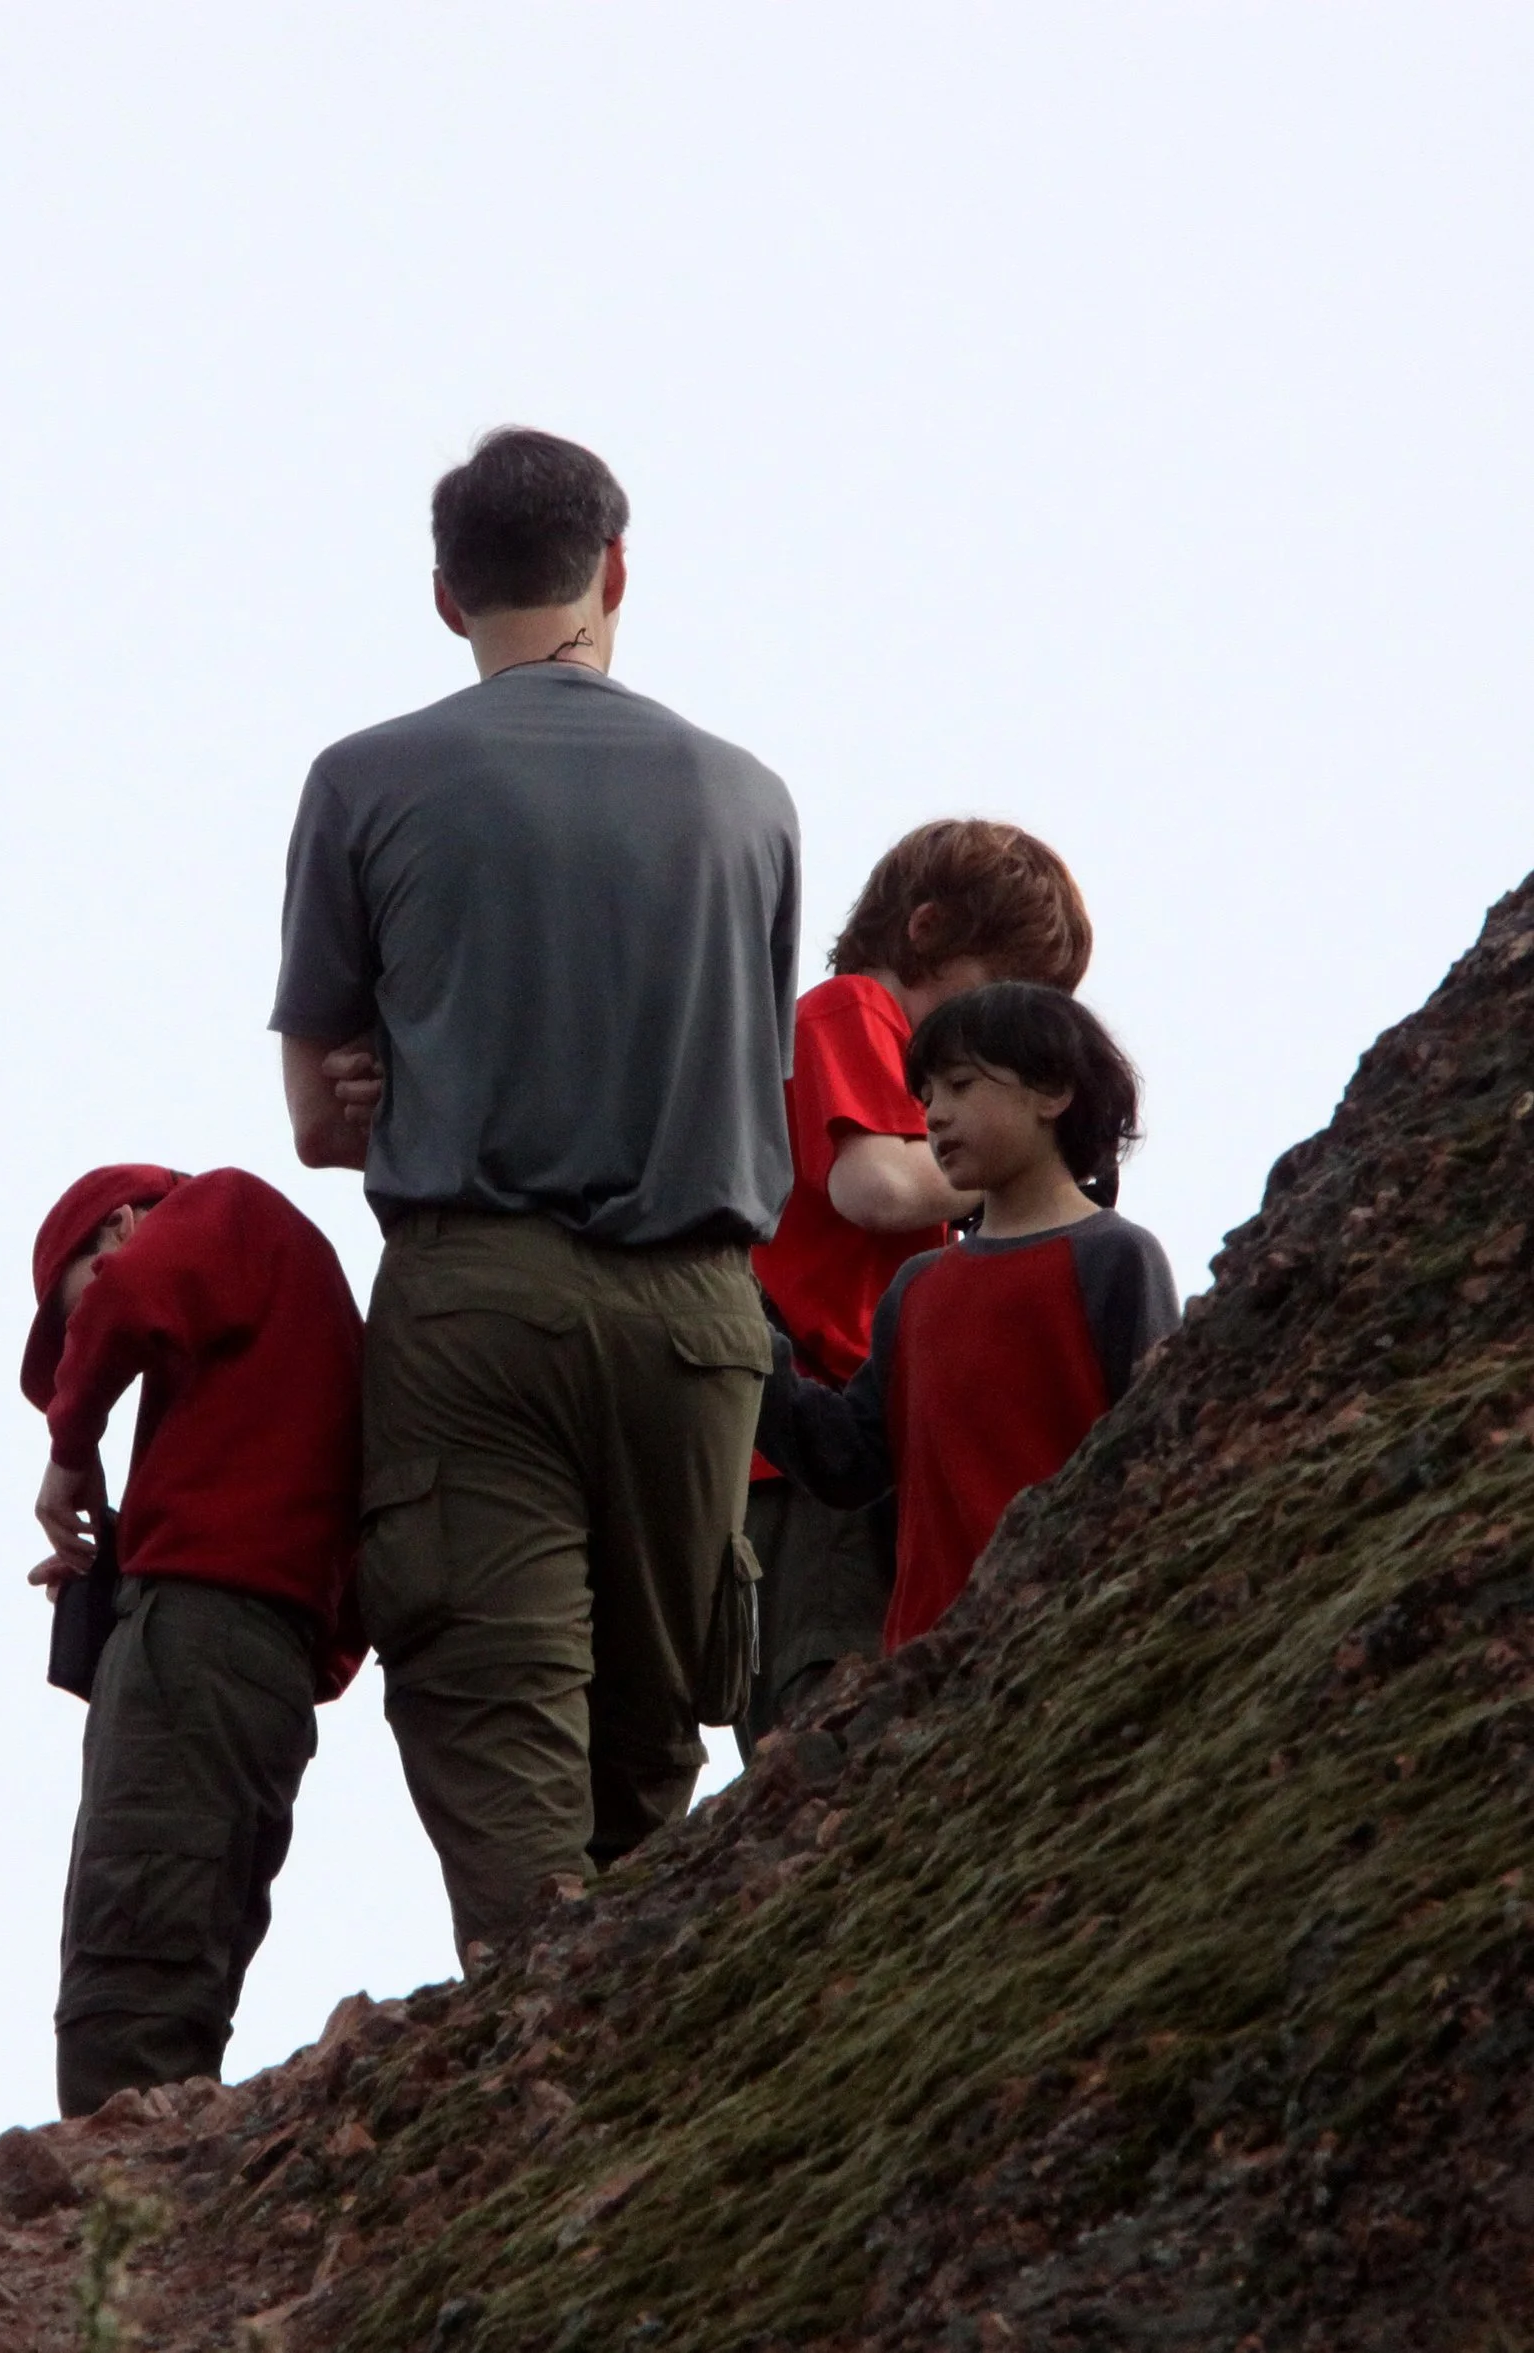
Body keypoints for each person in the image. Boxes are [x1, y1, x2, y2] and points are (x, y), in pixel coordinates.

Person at [270, 426, 800, 1964]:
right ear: (615, 569)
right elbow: (747, 1070)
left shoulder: (365, 779)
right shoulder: (752, 800)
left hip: (477, 1301)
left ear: (446, 597)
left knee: (507, 1749)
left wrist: (393, 1081)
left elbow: (320, 1114)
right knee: (652, 1755)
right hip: (703, 1321)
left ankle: (535, 2085)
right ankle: (672, 2083)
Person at [742, 820, 1094, 1755]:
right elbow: (876, 1185)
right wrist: (1028, 1167)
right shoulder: (853, 1010)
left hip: (849, 1433)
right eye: (1000, 989)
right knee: (823, 1691)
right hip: (807, 1446)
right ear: (928, 931)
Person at [24, 1163, 364, 2116]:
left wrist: (68, 1454)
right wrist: (130, 1558)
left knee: (126, 1970)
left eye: (74, 1296)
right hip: (270, 1668)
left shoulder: (223, 1205)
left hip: (201, 1641)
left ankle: (107, 2228)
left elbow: (128, 1296)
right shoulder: (284, 1292)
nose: (82, 1333)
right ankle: (162, 2191)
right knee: (188, 1962)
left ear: (124, 1223)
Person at [753, 984, 1180, 1650]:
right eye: (925, 1097)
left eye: (959, 1084)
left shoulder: (1117, 1259)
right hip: (928, 1668)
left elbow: (1158, 1458)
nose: (935, 1115)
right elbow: (845, 1459)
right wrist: (738, 1327)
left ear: (1052, 1090)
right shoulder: (919, 1287)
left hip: (1072, 1640)